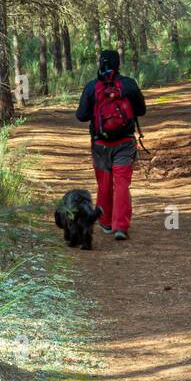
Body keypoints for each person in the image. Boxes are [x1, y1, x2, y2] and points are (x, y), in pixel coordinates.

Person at [75, 49, 146, 241]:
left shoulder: (92, 87)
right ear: (118, 64)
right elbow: (142, 110)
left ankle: (105, 222)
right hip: (125, 142)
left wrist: (98, 114)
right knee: (122, 183)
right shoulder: (129, 85)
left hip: (100, 143)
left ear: (100, 64)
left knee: (104, 184)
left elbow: (81, 116)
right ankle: (121, 226)